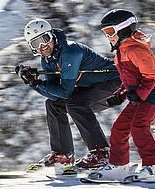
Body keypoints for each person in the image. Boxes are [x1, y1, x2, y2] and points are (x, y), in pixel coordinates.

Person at [17, 18, 121, 171]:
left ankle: (101, 153)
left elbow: (65, 92)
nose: (42, 46)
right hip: (92, 88)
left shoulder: (70, 51)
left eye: (43, 39)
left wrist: (37, 83)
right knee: (53, 105)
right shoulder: (47, 59)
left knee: (75, 104)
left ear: (51, 36)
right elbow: (54, 94)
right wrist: (33, 82)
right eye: (35, 44)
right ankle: (62, 155)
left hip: (115, 84)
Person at [89, 9, 155, 180]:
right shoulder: (120, 53)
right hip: (138, 97)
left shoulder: (136, 50)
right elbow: (128, 80)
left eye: (110, 32)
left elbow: (151, 77)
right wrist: (121, 94)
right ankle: (119, 165)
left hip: (151, 97)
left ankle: (154, 167)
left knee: (139, 127)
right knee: (119, 129)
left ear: (123, 29)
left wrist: (139, 94)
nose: (108, 37)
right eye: (105, 33)